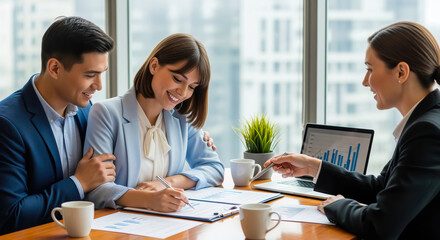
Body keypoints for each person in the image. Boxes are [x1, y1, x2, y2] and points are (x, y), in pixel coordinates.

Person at [265, 21, 440, 239]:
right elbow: (380, 188)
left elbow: (380, 225)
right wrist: (313, 167)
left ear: (401, 72)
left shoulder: (427, 131)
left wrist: (338, 206)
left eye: (369, 69)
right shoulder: (423, 121)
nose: (365, 82)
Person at [0, 16, 117, 234]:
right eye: (90, 75)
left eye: (102, 74)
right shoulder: (7, 125)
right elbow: (11, 215)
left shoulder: (87, 110)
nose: (99, 86)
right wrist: (79, 183)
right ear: (54, 68)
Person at [84, 33, 225, 212]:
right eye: (178, 79)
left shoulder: (181, 117)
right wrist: (148, 200)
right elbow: (96, 189)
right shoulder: (106, 113)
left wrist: (167, 184)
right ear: (154, 66)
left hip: (168, 223)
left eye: (191, 87)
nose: (182, 92)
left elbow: (215, 168)